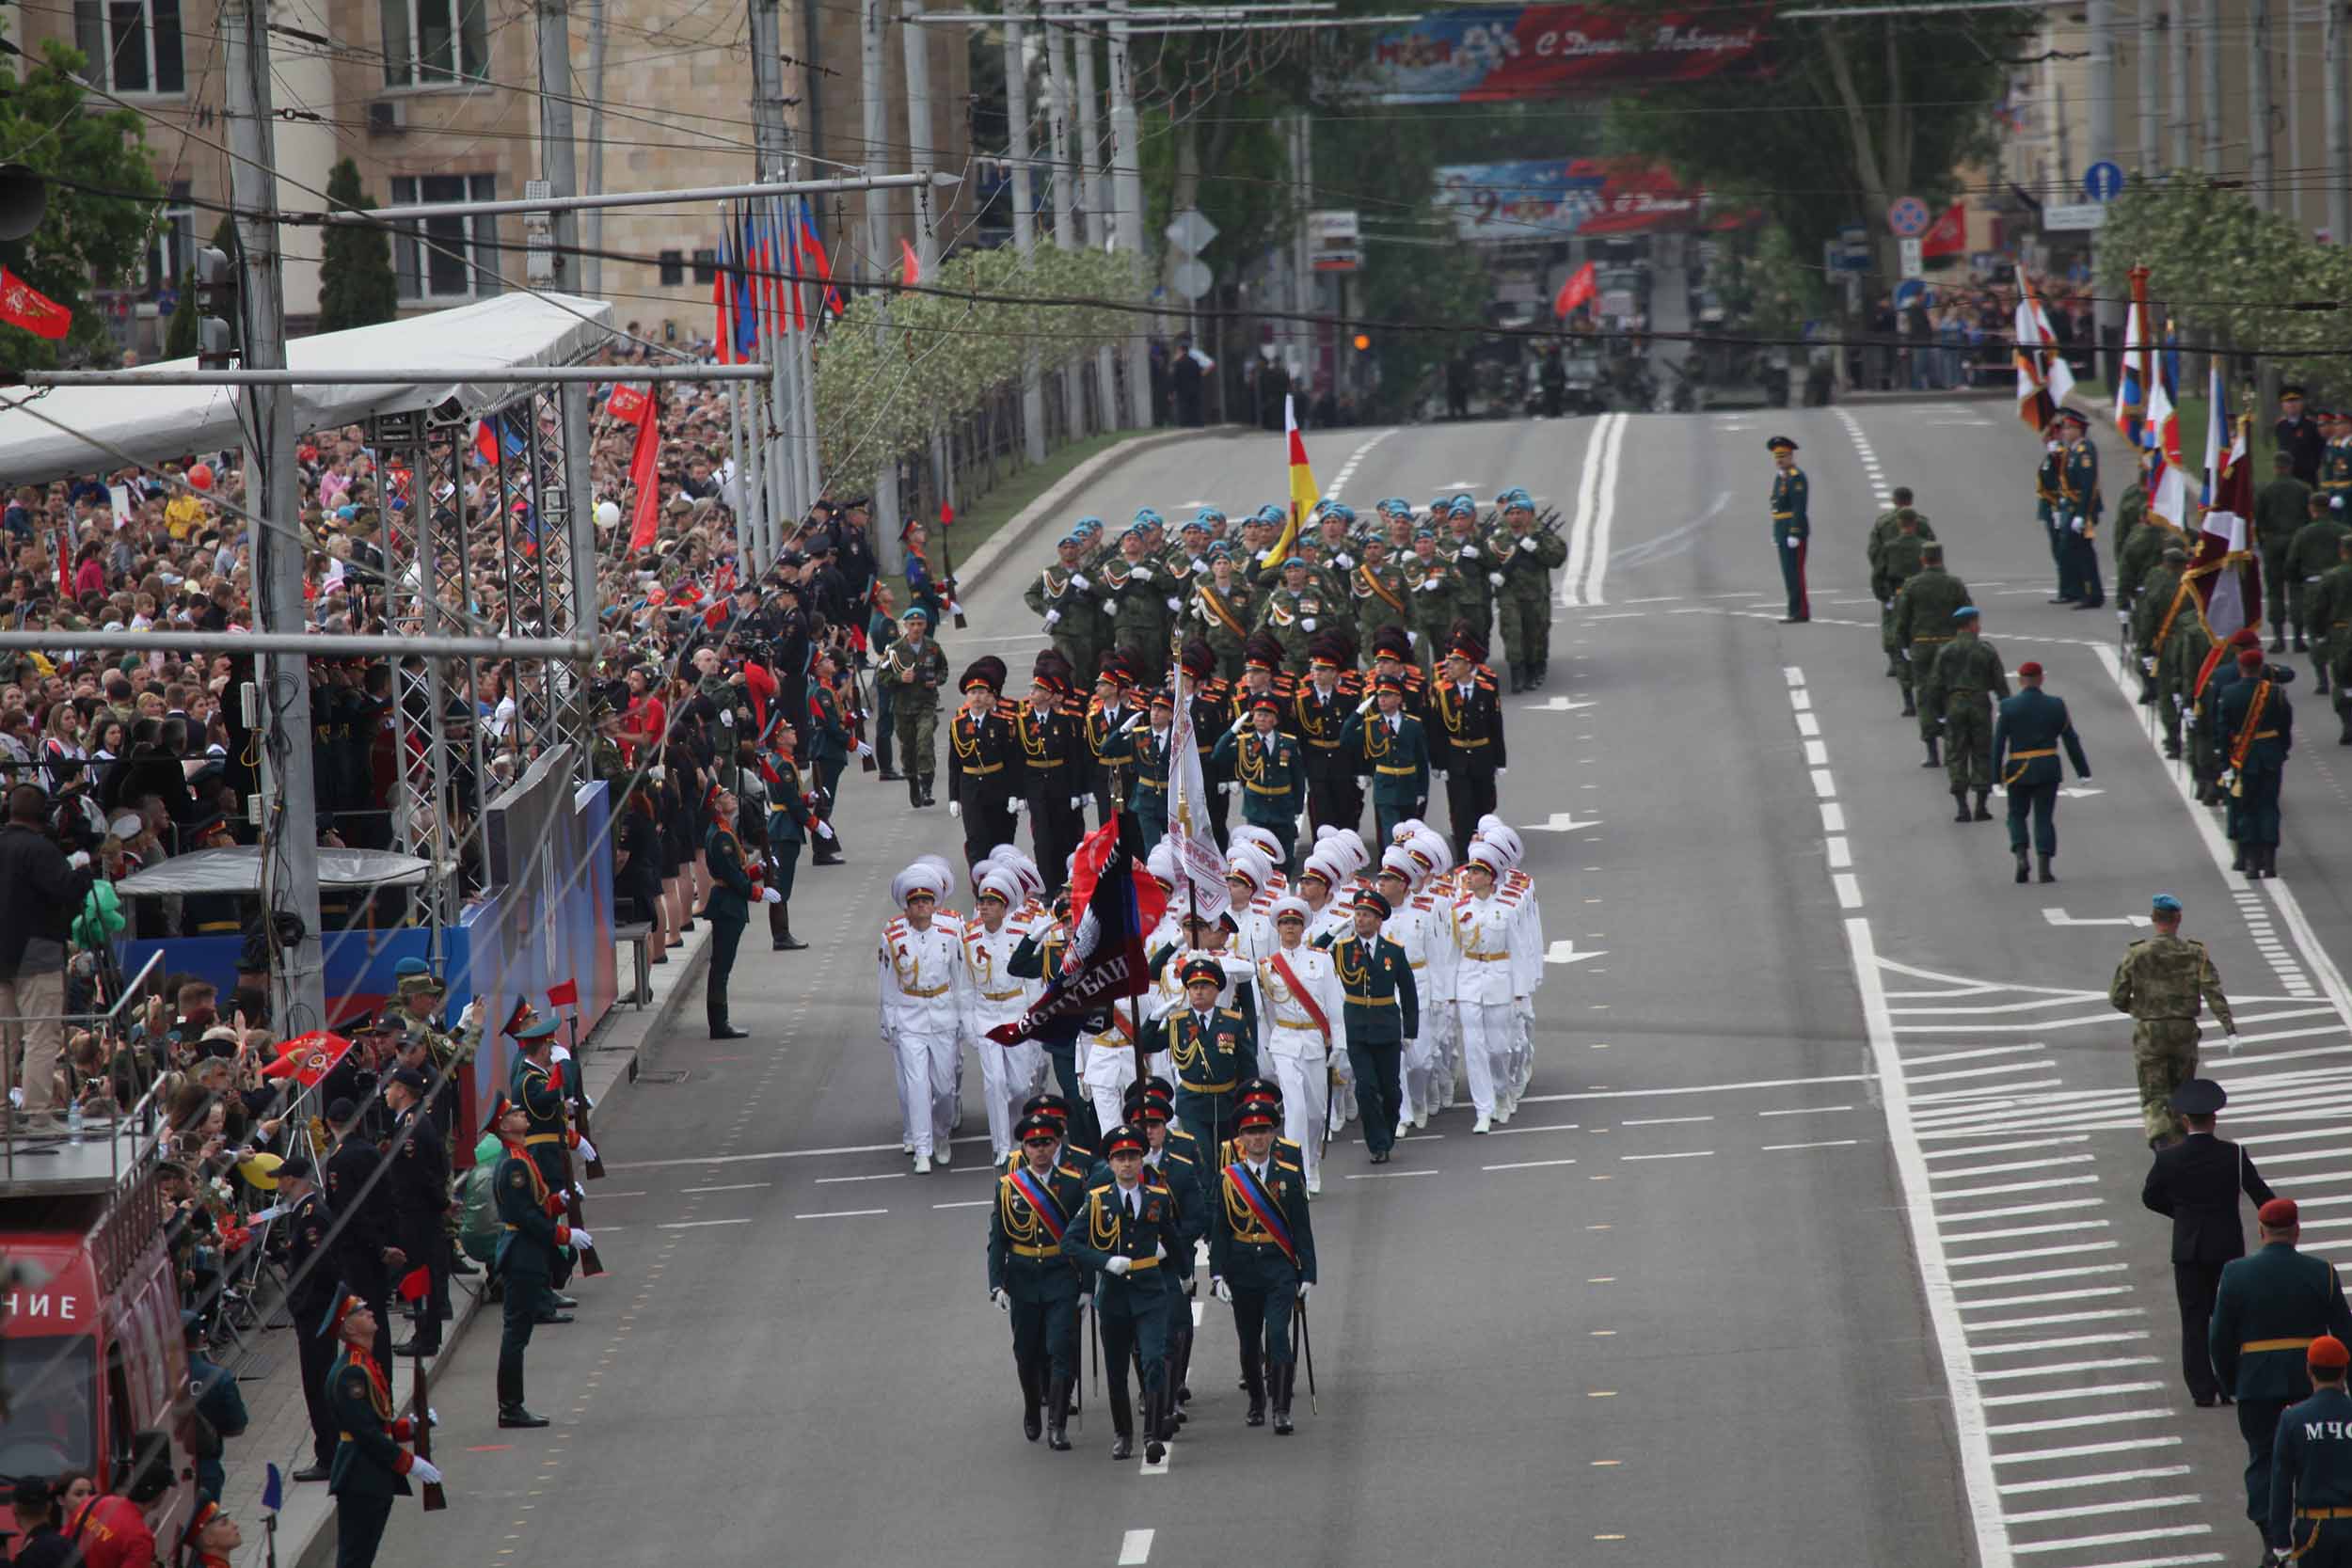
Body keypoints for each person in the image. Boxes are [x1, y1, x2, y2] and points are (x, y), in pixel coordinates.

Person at [2213, 1198, 2352, 1562]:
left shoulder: (2234, 1273)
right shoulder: (2321, 1272)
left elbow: (2219, 1337)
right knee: (2315, 1457)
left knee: (2263, 1459)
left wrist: (2230, 1382)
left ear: (2260, 1232)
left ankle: (2270, 1538)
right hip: (2309, 1381)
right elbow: (2345, 1333)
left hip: (2256, 1384)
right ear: (2297, 1231)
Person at [2141, 1078, 2275, 1407]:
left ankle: (2202, 1390)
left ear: (2185, 1120)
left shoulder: (2168, 1159)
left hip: (2188, 1249)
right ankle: (2230, 1382)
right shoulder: (2234, 1155)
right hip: (2227, 1247)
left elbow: (2150, 1197)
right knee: (2230, 1317)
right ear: (2214, 1118)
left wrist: (2181, 1215)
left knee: (2194, 1318)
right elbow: (2263, 1198)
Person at [1064, 1123, 1181, 1462]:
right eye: (1120, 1158)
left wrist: (1184, 1275)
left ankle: (1152, 1434)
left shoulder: (1157, 1198)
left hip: (1149, 1293)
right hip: (1114, 1297)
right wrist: (1103, 1261)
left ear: (1142, 1160)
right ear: (1111, 1164)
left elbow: (1172, 1238)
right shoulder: (1097, 1201)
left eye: (1132, 1156)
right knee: (1117, 1370)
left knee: (1154, 1360)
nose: (1127, 1164)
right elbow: (1069, 1242)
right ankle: (1123, 1433)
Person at [1209, 1102, 1317, 1435]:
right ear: (1240, 1139)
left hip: (1278, 1267)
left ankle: (1281, 1409)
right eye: (1250, 1133)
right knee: (1248, 1342)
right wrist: (1216, 1275)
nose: (1257, 1138)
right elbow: (1221, 1230)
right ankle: (1257, 1399)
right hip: (1242, 1268)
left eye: (1263, 1131)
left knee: (1277, 1335)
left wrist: (1308, 1275)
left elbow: (1301, 1228)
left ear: (1273, 1134)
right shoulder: (1229, 1179)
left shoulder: (1287, 1175)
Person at [987, 1111, 1089, 1451]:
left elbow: (1086, 1239)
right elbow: (998, 1239)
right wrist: (996, 1284)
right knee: (1026, 1353)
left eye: (1046, 1143)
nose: (1041, 1150)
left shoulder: (1074, 1183)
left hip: (1061, 1277)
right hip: (1024, 1278)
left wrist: (1087, 1286)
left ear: (1057, 1144)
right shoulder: (1009, 1187)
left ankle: (1057, 1424)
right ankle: (1033, 1406)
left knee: (1061, 1348)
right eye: (1033, 1144)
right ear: (1024, 1149)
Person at [0, 783, 94, 1135]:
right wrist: (83, 870)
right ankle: (38, 1113)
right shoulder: (39, 850)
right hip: (36, 952)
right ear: (42, 816)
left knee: (3, 1037)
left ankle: (1, 1116)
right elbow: (66, 890)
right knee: (40, 1034)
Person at [487, 1094, 587, 1429]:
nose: (521, 1114)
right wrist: (562, 1236)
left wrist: (560, 1201)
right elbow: (523, 1214)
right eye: (514, 1113)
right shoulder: (514, 1163)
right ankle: (510, 1407)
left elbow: (537, 1204)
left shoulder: (519, 1156)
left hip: (528, 1251)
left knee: (520, 1333)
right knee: (516, 1334)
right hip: (521, 1253)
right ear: (504, 1126)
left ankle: (512, 1405)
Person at [2110, 893, 2237, 1148]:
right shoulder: (2195, 953)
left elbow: (2117, 996)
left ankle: (2161, 1143)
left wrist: (2140, 1009)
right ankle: (2182, 1143)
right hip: (2183, 1031)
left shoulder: (2137, 954)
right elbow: (2213, 991)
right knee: (2183, 1091)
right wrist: (2229, 1029)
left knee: (2154, 1093)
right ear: (2178, 919)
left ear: (2153, 919)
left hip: (2150, 1032)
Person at [325, 1292, 440, 1568]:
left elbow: (377, 1423)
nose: (370, 1313)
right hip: (360, 1474)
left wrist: (411, 1426)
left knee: (362, 1556)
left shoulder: (365, 1364)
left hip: (370, 1474)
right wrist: (409, 1463)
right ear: (350, 1328)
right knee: (355, 1558)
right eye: (361, 1312)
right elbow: (366, 1434)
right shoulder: (351, 1374)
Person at [878, 863, 967, 1174]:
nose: (922, 907)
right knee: (917, 1085)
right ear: (907, 907)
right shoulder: (893, 937)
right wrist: (887, 1019)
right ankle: (923, 1149)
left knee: (944, 1088)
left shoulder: (950, 934)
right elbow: (887, 982)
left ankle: (941, 1136)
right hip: (910, 1016)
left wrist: (964, 1018)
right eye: (916, 902)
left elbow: (960, 980)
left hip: (943, 1015)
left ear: (934, 904)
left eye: (927, 901)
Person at [1252, 896, 1343, 1195]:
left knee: (1317, 1112)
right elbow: (1263, 1014)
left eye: (1294, 923)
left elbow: (1334, 1004)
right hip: (1284, 1042)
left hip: (1315, 1041)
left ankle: (1313, 1159)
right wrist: (1264, 1051)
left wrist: (1339, 1044)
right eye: (1284, 923)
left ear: (1303, 927)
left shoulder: (1322, 959)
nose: (1289, 928)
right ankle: (1298, 1173)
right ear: (1277, 928)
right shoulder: (1266, 967)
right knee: (1296, 1109)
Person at [1330, 888, 1416, 1165]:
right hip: (1356, 1028)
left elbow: (1408, 990)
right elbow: (1317, 952)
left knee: (1390, 1090)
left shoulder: (1393, 951)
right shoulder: (1343, 950)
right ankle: (1377, 1144)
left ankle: (1388, 1131)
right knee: (1365, 1088)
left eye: (1366, 915)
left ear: (1379, 921)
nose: (1360, 920)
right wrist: (1336, 930)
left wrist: (1410, 1031)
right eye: (1357, 914)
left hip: (1387, 1027)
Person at [274, 1154, 342, 1481]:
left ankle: (329, 1457)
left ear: (293, 1180)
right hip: (314, 1311)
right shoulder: (303, 1213)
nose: (277, 1184)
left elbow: (322, 1267)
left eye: (281, 1178)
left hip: (316, 1312)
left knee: (318, 1384)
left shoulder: (312, 1216)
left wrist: (304, 1303)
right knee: (316, 1382)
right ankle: (329, 1452)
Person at [1991, 659, 2091, 883]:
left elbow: (1998, 743)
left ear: (2020, 680)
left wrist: (1995, 777)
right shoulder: (2056, 705)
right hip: (2047, 766)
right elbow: (2071, 740)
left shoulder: (2008, 706)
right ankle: (2044, 867)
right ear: (2041, 679)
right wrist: (2083, 771)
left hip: (2018, 769)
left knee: (2016, 814)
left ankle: (2020, 856)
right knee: (2044, 817)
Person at [381, 1063, 451, 1357]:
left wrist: (441, 1205)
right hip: (419, 1212)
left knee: (421, 1275)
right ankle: (424, 1332)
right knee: (422, 1274)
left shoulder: (411, 1127)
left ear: (401, 1091)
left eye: (389, 1087)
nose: (385, 1092)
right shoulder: (410, 1122)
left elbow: (421, 1175)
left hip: (417, 1214)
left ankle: (425, 1336)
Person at [2266, 1335, 2352, 1567]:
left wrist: (2281, 1543)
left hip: (2313, 1532)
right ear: (2344, 1371)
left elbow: (2281, 1483)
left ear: (2309, 1370)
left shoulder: (2292, 1419)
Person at [2218, 648, 2295, 879]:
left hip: (2243, 759)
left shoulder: (2229, 693)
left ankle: (2251, 864)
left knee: (2246, 809)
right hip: (2270, 756)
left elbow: (2222, 732)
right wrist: (2280, 751)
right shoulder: (2275, 693)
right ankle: (2269, 863)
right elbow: (2285, 727)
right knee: (2269, 807)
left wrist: (2225, 762)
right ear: (2261, 668)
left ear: (2241, 668)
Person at [1931, 606, 2009, 823]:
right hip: (1979, 704)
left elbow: (1935, 685)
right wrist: (2006, 707)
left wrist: (1939, 714)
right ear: (1970, 624)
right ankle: (1981, 806)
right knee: (1982, 753)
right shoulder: (1986, 650)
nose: (1979, 625)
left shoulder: (1945, 651)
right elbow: (2000, 684)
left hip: (1954, 704)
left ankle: (1962, 807)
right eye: (1977, 622)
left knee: (1956, 754)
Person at [1213, 695, 1306, 875]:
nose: (1261, 719)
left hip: (1282, 806)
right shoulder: (1244, 742)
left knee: (1284, 854)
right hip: (1257, 808)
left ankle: (1282, 885)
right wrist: (1232, 730)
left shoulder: (1288, 742)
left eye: (1266, 715)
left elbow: (1297, 777)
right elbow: (1218, 755)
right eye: (1258, 715)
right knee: (1258, 853)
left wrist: (1297, 808)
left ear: (1275, 720)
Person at [705, 786, 770, 1038]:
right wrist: (757, 893)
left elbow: (734, 869)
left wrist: (758, 872)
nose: (732, 797)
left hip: (729, 901)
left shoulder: (724, 830)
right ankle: (719, 1024)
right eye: (725, 796)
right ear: (717, 806)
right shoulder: (721, 836)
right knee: (721, 967)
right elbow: (731, 876)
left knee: (722, 966)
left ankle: (720, 1022)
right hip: (727, 906)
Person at [1489, 488, 1566, 687]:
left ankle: (1535, 669)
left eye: (1520, 513)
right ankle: (1517, 675)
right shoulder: (1498, 539)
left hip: (1535, 594)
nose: (1515, 517)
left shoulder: (1540, 535)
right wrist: (1491, 574)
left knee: (1535, 634)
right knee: (1512, 634)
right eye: (1511, 513)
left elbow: (1557, 558)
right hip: (1509, 595)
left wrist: (1537, 550)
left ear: (1529, 515)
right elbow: (1485, 561)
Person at [881, 606, 948, 808]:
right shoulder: (894, 650)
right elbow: (882, 677)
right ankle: (912, 782)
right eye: (912, 624)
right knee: (908, 750)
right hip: (902, 708)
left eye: (920, 624)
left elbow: (943, 669)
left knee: (925, 742)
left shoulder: (933, 647)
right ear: (906, 625)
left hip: (926, 704)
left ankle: (926, 787)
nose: (917, 628)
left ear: (926, 625)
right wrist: (899, 677)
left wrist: (936, 680)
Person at [1766, 436, 1809, 623]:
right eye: (1777, 457)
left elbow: (1799, 507)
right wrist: (1776, 533)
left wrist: (1794, 532)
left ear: (1791, 456)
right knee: (1788, 573)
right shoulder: (1780, 477)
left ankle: (1800, 611)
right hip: (1782, 530)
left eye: (1783, 456)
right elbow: (1777, 507)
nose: (1779, 460)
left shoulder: (1796, 477)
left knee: (1795, 573)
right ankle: (1793, 610)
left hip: (1793, 531)